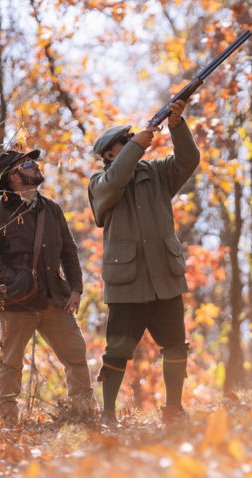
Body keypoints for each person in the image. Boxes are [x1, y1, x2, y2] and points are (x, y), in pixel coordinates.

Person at [87, 98, 200, 426]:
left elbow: (189, 159)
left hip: (164, 275)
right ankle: (107, 414)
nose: (133, 140)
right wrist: (135, 147)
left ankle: (174, 409)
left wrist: (177, 125)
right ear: (110, 153)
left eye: (131, 138)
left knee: (176, 345)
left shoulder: (157, 172)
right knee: (118, 351)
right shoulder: (100, 183)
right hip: (128, 282)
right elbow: (116, 180)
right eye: (125, 141)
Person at [0, 149, 96, 425]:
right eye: (28, 164)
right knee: (10, 363)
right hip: (18, 303)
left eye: (33, 162)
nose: (36, 167)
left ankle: (84, 414)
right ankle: (7, 422)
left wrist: (76, 289)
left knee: (76, 355)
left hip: (55, 299)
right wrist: (14, 280)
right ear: (13, 177)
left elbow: (69, 251)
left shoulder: (51, 209)